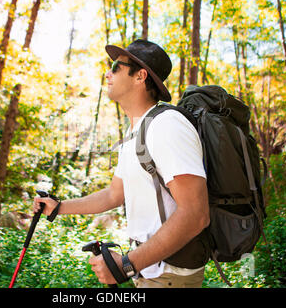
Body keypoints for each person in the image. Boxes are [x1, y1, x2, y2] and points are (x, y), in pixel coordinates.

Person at [33, 39, 210, 288]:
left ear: (140, 76)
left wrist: (126, 265)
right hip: (150, 273)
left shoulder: (167, 124)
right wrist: (59, 207)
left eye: (116, 66)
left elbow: (195, 214)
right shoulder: (134, 134)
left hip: (170, 276)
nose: (108, 72)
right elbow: (114, 195)